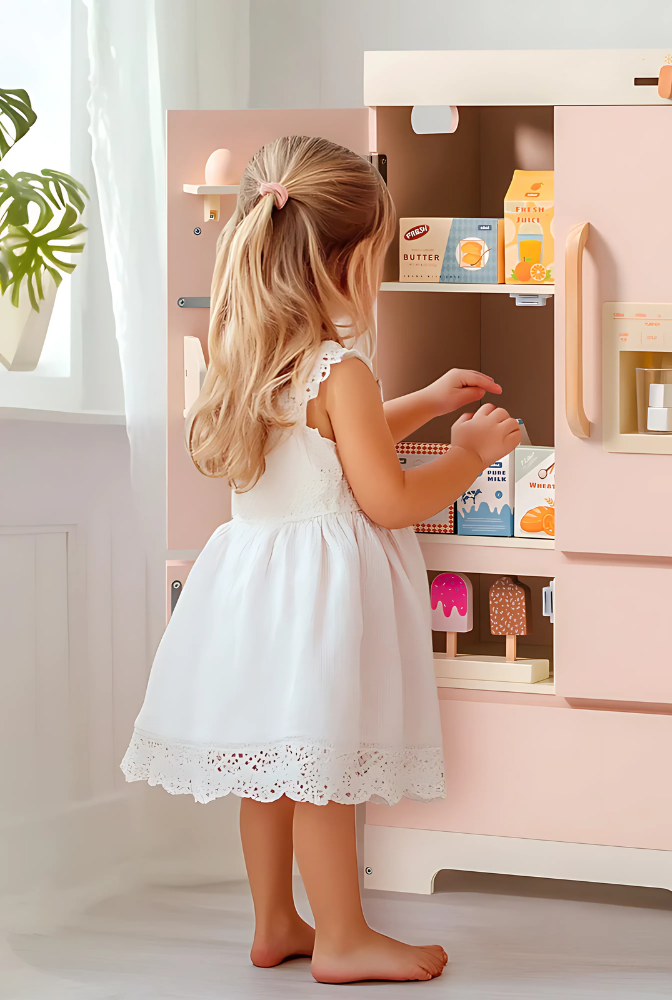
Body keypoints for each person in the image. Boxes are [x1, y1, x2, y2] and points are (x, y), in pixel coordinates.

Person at [120, 135, 521, 984]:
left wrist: (419, 399)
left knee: (268, 773)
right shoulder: (342, 366)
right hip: (319, 602)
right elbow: (389, 499)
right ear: (343, 263)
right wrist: (471, 452)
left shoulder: (246, 355)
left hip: (251, 593)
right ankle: (344, 938)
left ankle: (276, 924)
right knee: (325, 778)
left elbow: (331, 445)